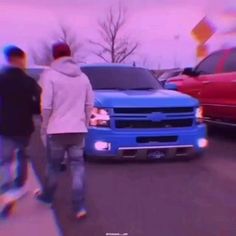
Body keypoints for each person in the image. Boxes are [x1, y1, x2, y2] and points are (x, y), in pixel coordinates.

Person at [35, 42, 94, 220]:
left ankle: (47, 198)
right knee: (77, 167)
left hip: (56, 130)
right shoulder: (83, 77)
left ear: (54, 56)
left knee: (53, 167)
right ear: (70, 54)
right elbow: (89, 103)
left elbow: (46, 105)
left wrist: (45, 125)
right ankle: (79, 206)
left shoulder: (49, 75)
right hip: (78, 130)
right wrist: (84, 121)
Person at [0, 45, 41, 217]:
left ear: (9, 60)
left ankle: (6, 189)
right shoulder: (29, 82)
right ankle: (19, 185)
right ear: (19, 59)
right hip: (23, 127)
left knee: (4, 159)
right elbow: (36, 107)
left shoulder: (1, 79)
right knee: (22, 155)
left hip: (4, 126)